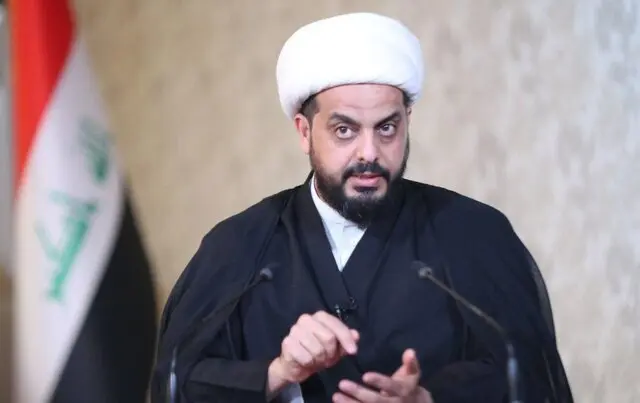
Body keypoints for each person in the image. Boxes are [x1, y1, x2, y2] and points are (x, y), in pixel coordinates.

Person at [150, 12, 574, 403]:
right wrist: (278, 373)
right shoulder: (240, 248)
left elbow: (529, 374)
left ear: (407, 121)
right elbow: (178, 383)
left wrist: (430, 398)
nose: (369, 153)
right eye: (344, 130)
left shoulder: (473, 233)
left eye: (386, 128)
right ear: (304, 132)